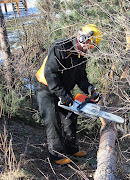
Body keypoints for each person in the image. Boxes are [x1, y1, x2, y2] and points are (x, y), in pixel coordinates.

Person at [34, 24, 102, 165]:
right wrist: (63, 96)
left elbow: (81, 77)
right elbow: (50, 74)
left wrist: (90, 89)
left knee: (70, 117)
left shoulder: (81, 56)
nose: (91, 49)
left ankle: (71, 148)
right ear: (84, 39)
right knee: (52, 120)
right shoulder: (60, 47)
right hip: (45, 87)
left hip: (63, 89)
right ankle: (56, 155)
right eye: (91, 45)